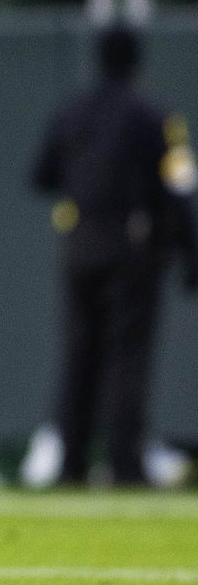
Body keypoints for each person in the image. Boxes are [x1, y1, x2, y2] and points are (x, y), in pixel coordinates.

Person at [32, 26, 197, 485]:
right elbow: (179, 187)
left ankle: (72, 464)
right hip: (133, 248)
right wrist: (190, 253)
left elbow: (41, 174)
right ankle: (126, 465)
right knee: (128, 357)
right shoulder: (155, 116)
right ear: (136, 62)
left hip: (81, 243)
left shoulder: (72, 113)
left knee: (79, 355)